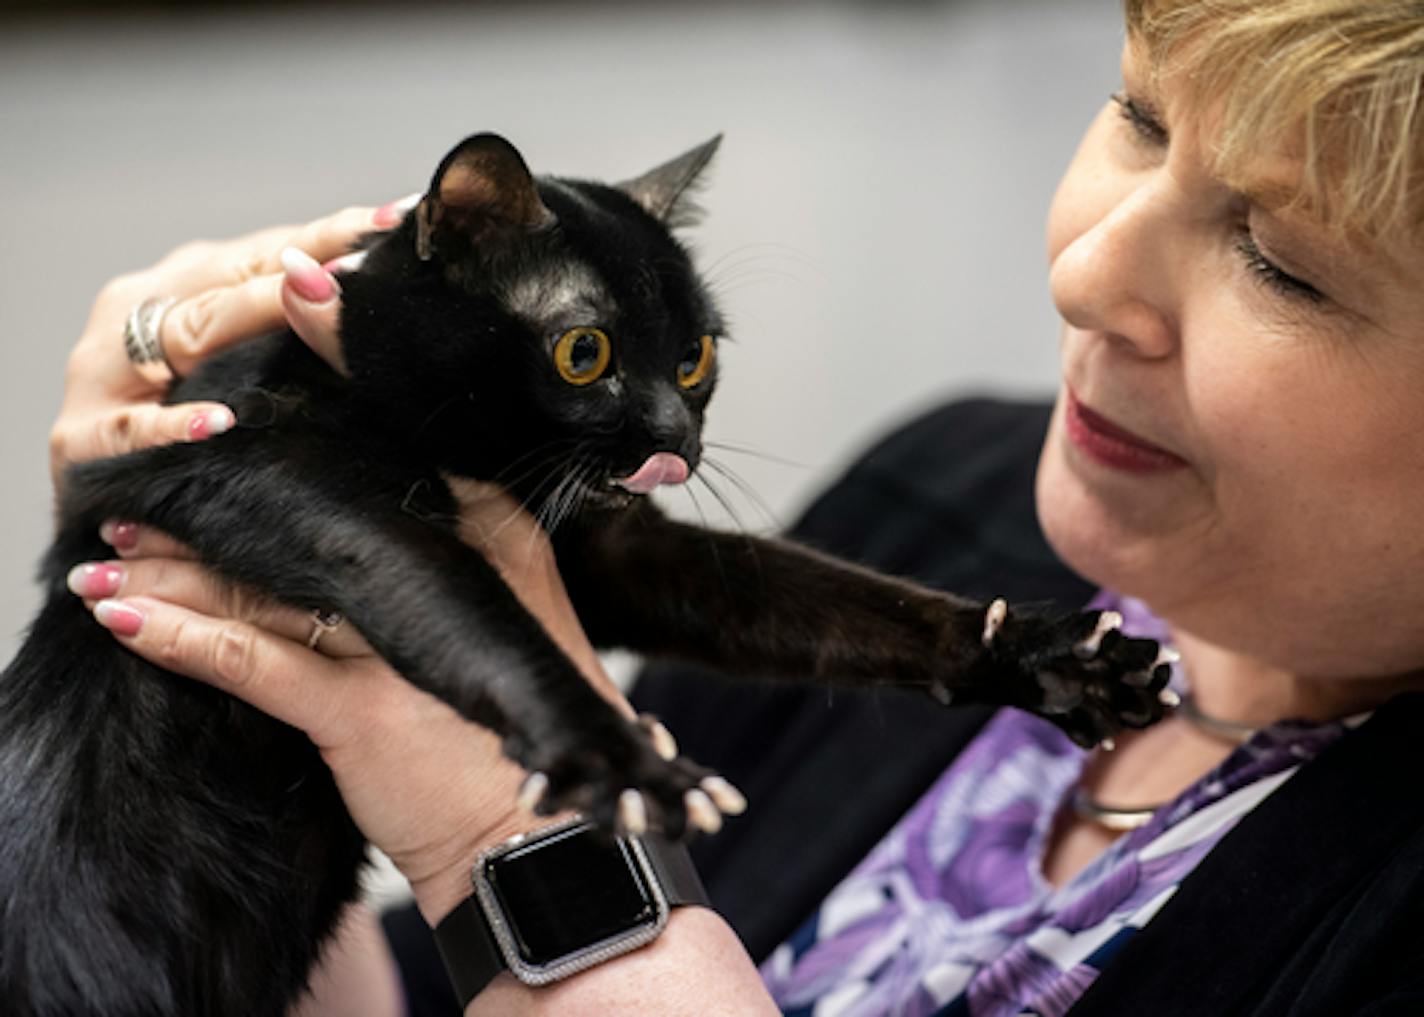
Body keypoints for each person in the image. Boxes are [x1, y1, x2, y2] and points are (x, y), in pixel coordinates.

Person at [44, 0, 1424, 1012]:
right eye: (1137, 113)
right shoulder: (942, 500)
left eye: (1283, 262)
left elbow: (512, 901)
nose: (1082, 271)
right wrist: (211, 647)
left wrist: (512, 841)